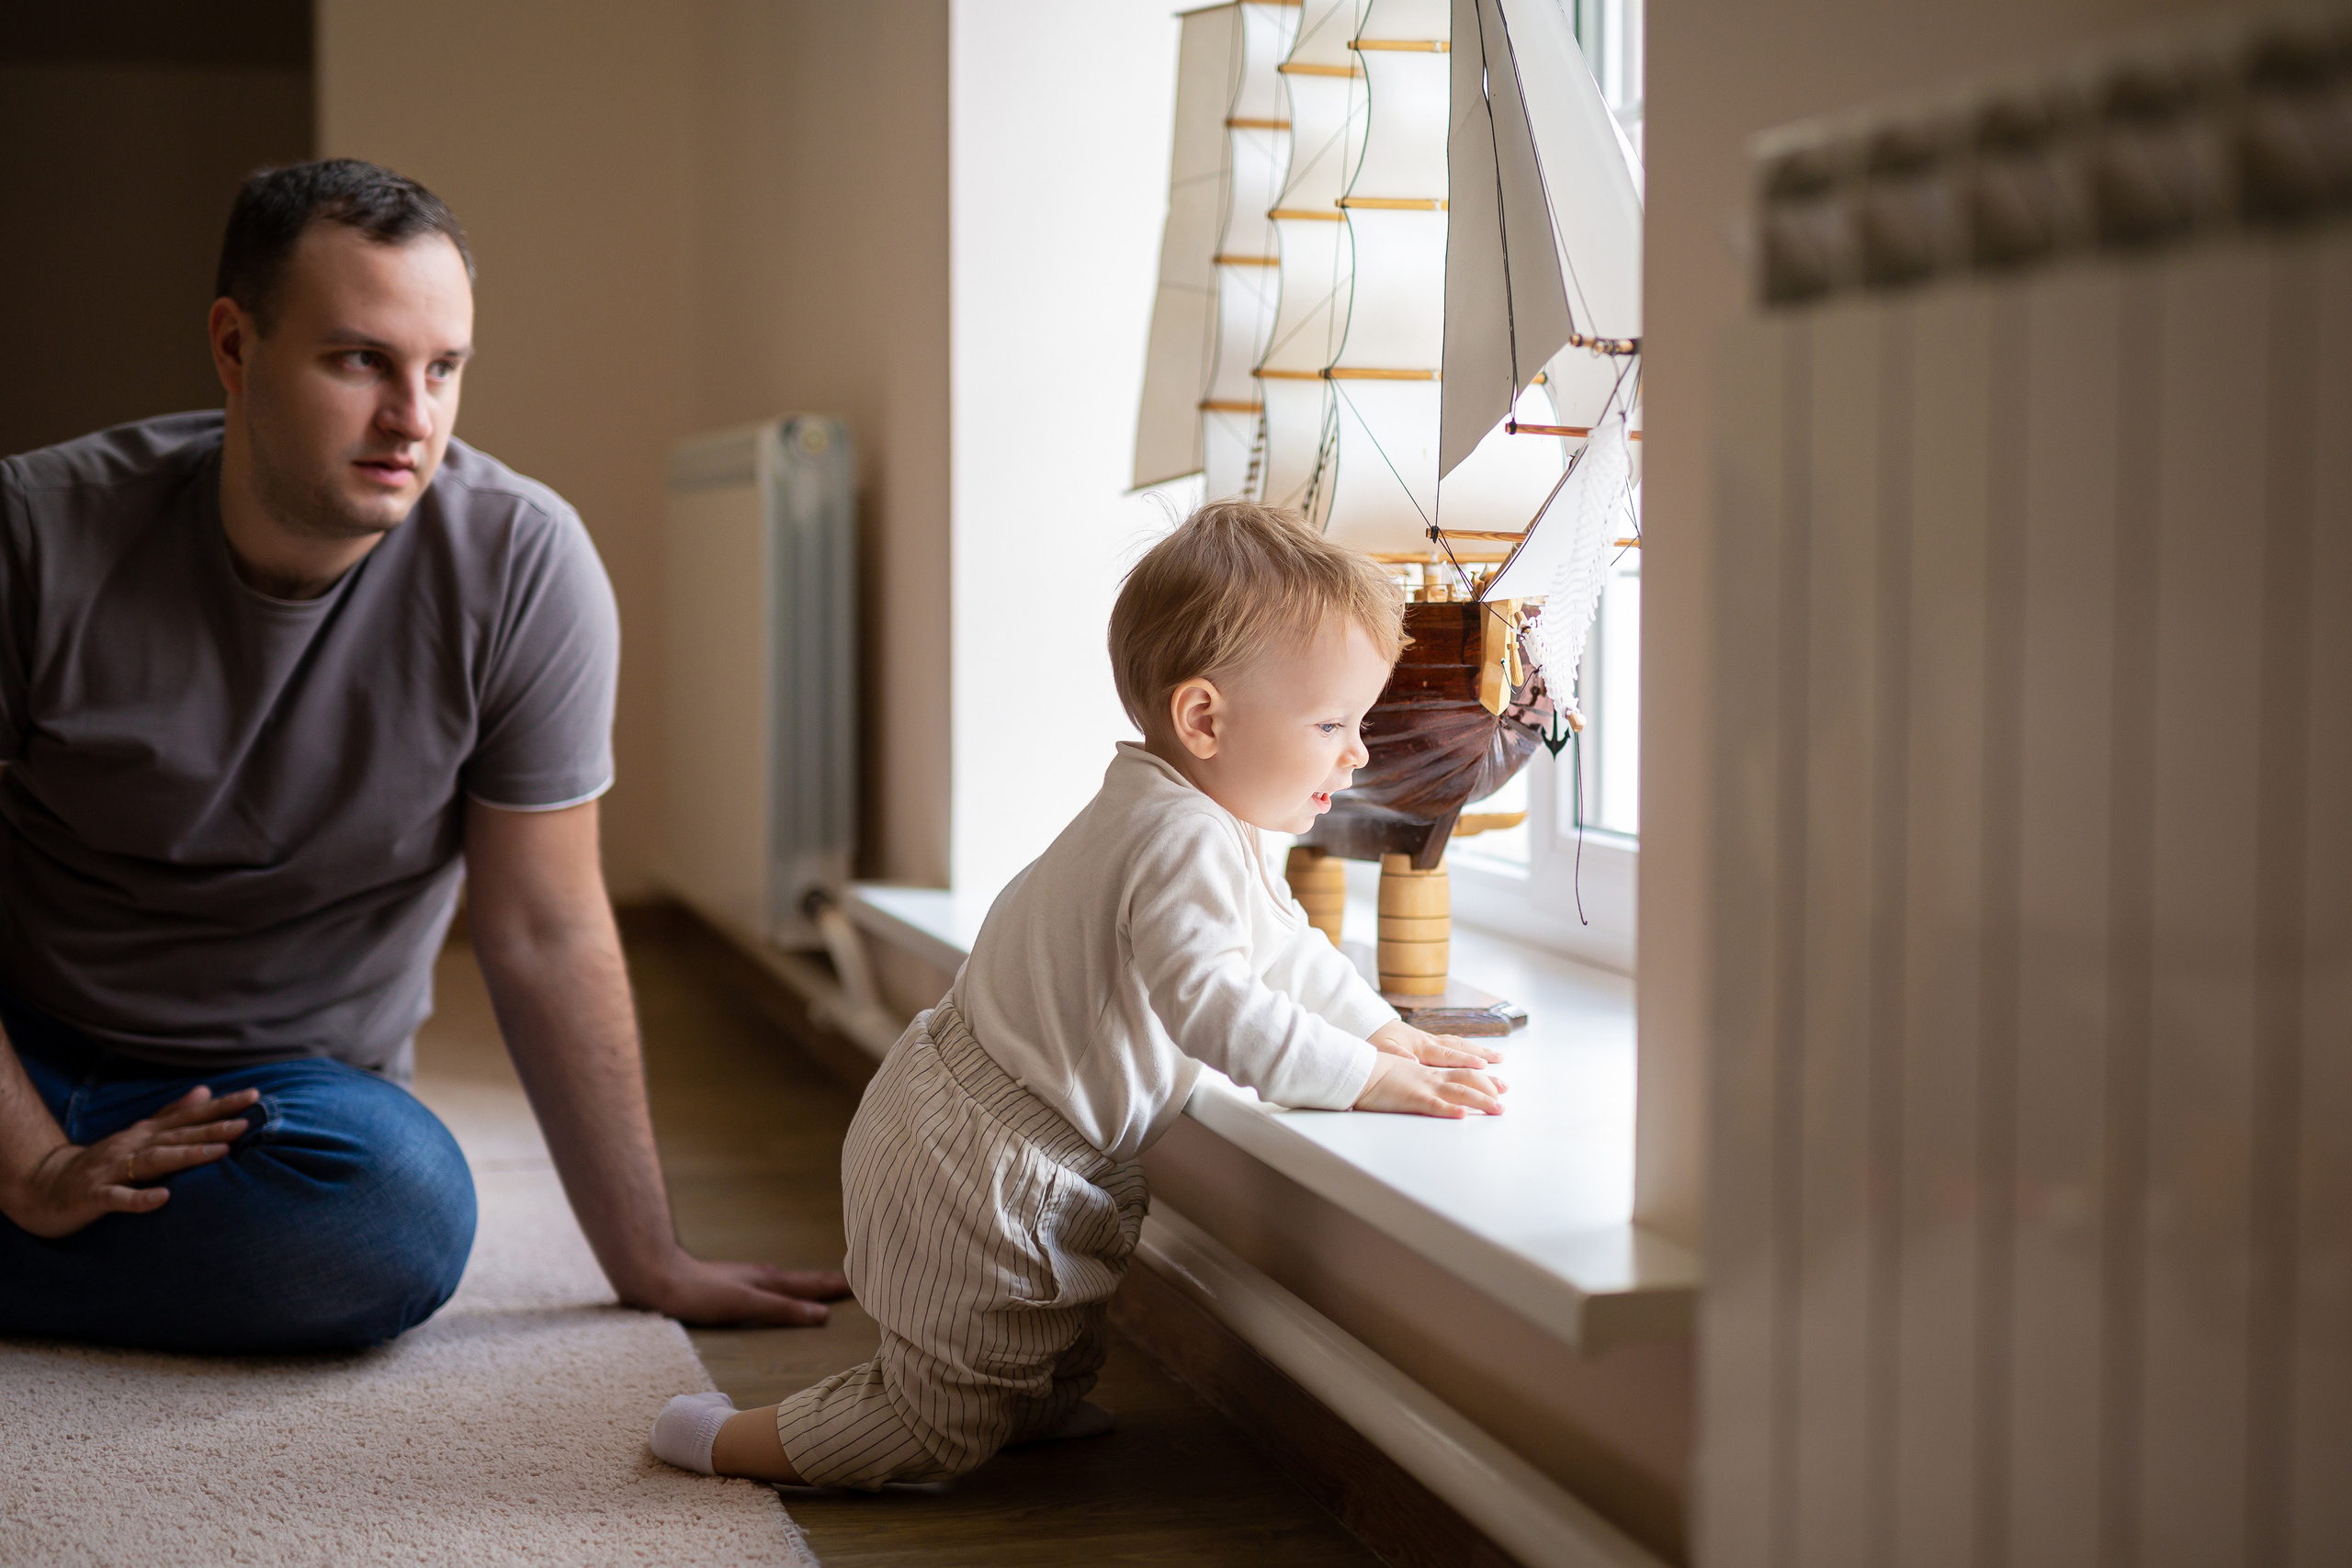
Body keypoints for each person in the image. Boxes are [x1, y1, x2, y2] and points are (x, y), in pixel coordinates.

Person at [0, 159, 848, 1353]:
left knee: (398, 1215)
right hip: (22, 1036)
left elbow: (545, 928)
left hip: (283, 1097)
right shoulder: (36, 531)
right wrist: (33, 1156)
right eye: (361, 360)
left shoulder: (521, 566)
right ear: (234, 349)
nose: (415, 416)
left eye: (443, 368)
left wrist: (648, 1256)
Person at [648, 502, 1507, 1487]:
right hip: (980, 1163)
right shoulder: (1177, 837)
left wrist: (1383, 1027)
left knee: (1042, 1336)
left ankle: (1017, 1408)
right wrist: (1364, 1079)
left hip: (1001, 1137)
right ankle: (721, 1441)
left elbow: (1285, 949)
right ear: (1203, 719)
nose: (1355, 753)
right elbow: (1216, 1007)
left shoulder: (1185, 812)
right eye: (1330, 725)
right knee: (931, 1424)